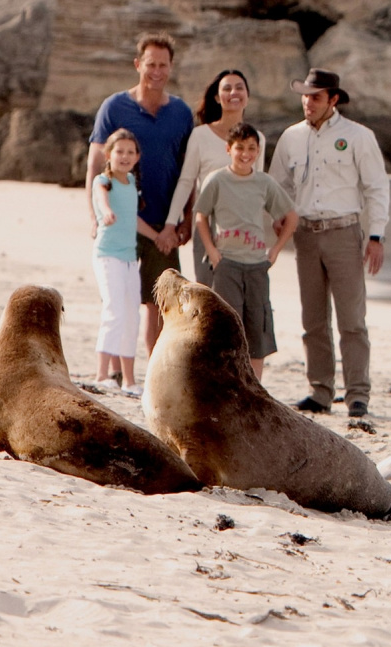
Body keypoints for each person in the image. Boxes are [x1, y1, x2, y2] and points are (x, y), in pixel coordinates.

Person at [270, 68, 389, 418]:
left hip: (344, 233)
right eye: (305, 96)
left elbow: (376, 187)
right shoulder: (291, 137)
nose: (308, 103)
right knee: (313, 320)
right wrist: (278, 217)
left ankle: (357, 394)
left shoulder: (358, 136)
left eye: (316, 97)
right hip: (305, 235)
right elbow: (278, 184)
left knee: (352, 319)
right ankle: (320, 391)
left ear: (333, 100)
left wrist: (376, 236)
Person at [87, 34, 195, 355]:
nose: (157, 71)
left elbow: (189, 173)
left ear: (171, 68)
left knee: (159, 304)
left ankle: (154, 371)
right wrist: (94, 215)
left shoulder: (181, 113)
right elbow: (94, 165)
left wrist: (184, 220)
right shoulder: (114, 106)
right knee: (119, 299)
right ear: (138, 64)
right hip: (119, 221)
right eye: (151, 64)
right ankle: (117, 372)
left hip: (163, 225)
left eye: (163, 65)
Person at [194, 122, 297, 381]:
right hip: (226, 263)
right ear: (229, 149)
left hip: (256, 265)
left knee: (257, 325)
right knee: (228, 325)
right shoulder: (217, 180)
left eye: (252, 148)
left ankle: (255, 385)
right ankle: (227, 382)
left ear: (259, 151)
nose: (245, 153)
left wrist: (274, 251)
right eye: (240, 148)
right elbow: (201, 216)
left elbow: (291, 216)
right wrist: (212, 252)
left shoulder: (264, 182)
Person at [167, 69, 265, 286]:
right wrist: (171, 223)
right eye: (227, 88)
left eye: (239, 88)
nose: (233, 93)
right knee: (208, 294)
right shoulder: (200, 135)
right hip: (207, 226)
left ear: (247, 96)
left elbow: (257, 187)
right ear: (216, 97)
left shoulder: (258, 139)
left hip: (244, 230)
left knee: (239, 300)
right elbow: (186, 181)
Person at [90, 129, 151, 395]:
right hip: (107, 255)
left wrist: (158, 236)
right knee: (113, 310)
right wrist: (106, 212)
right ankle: (102, 374)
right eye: (119, 151)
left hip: (129, 259)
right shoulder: (104, 181)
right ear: (109, 154)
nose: (125, 156)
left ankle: (129, 380)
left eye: (130, 152)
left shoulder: (131, 186)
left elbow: (134, 220)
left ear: (137, 157)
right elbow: (102, 199)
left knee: (131, 316)